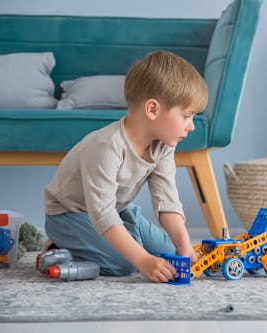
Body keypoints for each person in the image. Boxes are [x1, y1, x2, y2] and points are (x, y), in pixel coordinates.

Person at [43, 51, 207, 282]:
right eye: (187, 116)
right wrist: (141, 259)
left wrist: (185, 246)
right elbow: (102, 214)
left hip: (117, 210)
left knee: (170, 255)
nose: (191, 126)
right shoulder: (106, 146)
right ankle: (57, 250)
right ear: (153, 109)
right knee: (125, 265)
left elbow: (167, 200)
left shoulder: (163, 145)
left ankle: (123, 238)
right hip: (70, 214)